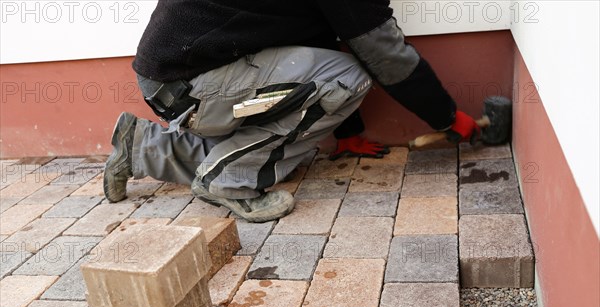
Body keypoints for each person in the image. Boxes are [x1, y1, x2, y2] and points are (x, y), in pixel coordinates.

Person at [103, 0, 480, 222]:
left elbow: (309, 39)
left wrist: (348, 132)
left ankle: (141, 146)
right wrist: (449, 118)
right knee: (348, 78)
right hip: (195, 86)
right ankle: (230, 181)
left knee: (283, 153)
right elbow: (385, 55)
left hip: (169, 80)